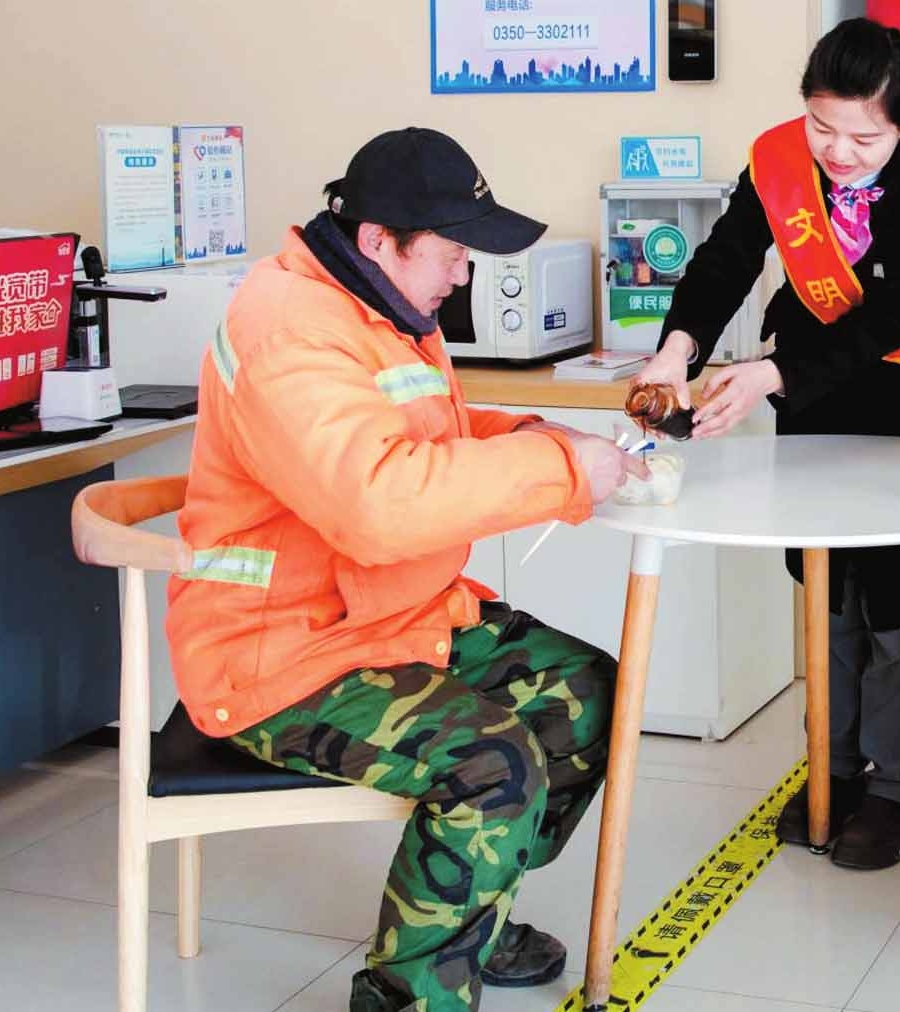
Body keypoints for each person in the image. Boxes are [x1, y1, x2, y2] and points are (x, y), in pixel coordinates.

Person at [165, 127, 648, 1012]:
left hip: (389, 619)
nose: (463, 273)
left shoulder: (378, 304)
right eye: (452, 251)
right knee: (495, 767)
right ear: (379, 239)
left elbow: (427, 437)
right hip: (283, 655)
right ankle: (408, 995)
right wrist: (562, 470)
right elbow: (380, 506)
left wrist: (535, 435)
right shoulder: (288, 331)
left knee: (588, 695)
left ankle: (469, 911)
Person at [631, 17, 900, 871]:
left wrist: (771, 373)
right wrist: (676, 350)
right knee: (827, 595)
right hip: (813, 399)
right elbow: (725, 261)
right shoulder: (776, 161)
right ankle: (832, 772)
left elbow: (894, 316)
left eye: (862, 138)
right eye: (821, 127)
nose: (836, 152)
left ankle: (899, 792)